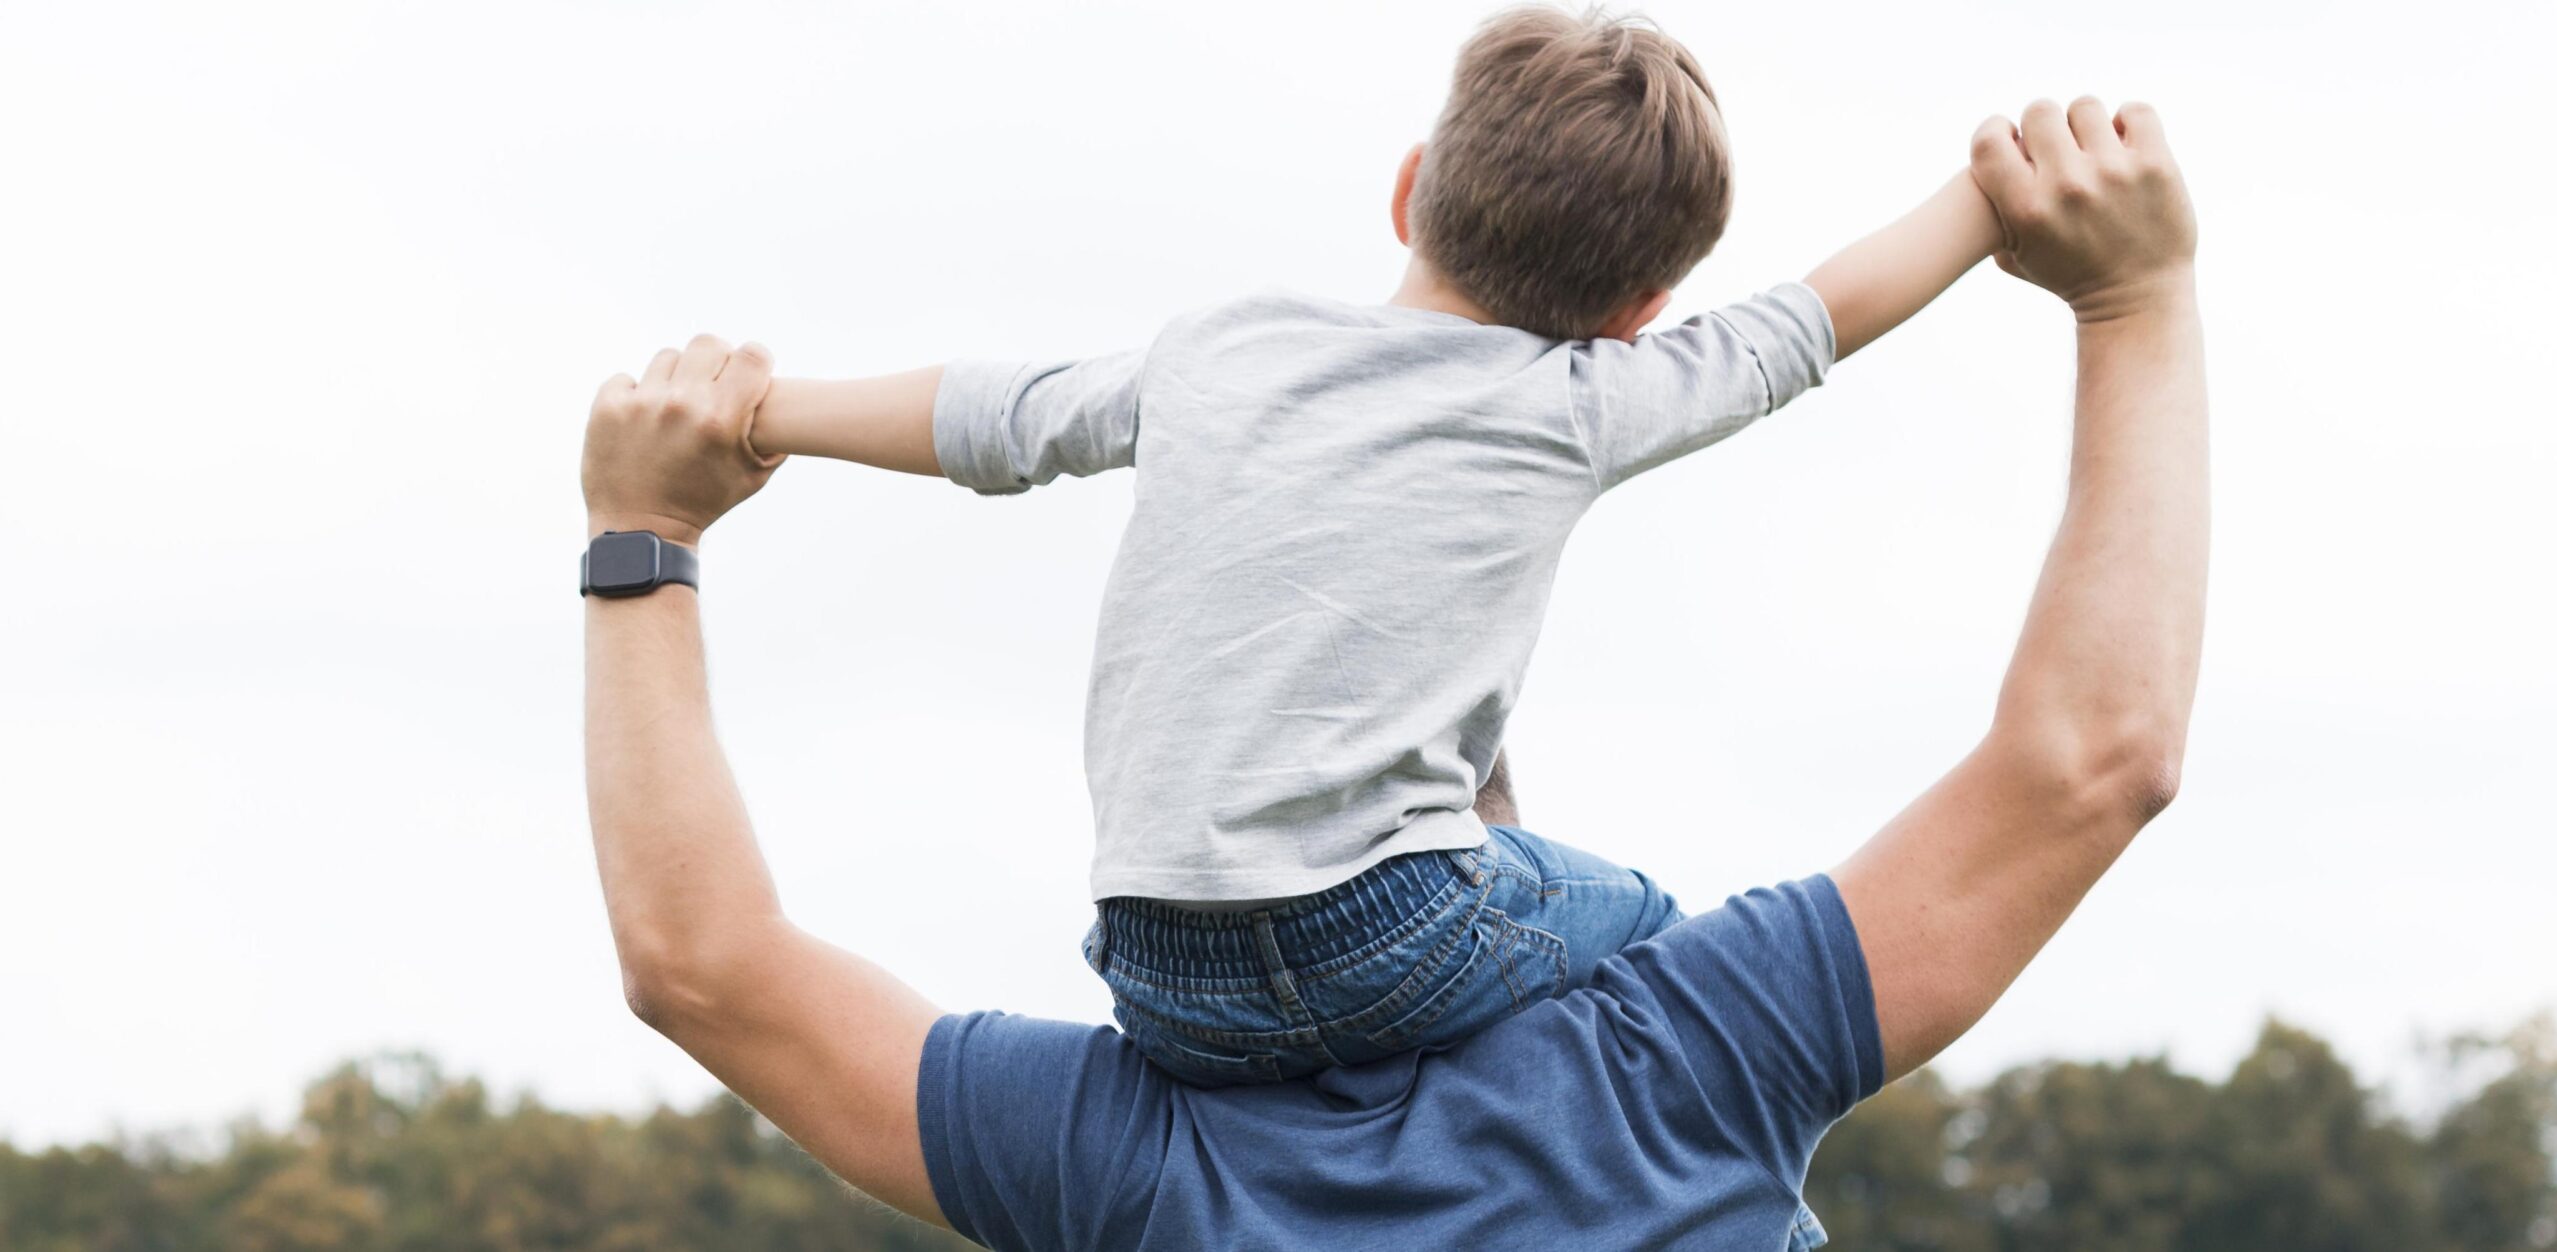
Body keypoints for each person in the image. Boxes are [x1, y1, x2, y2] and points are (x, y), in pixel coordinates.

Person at [578, 93, 2203, 1250]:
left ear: (1414, 187)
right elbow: (2092, 759)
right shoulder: (1687, 1061)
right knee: (1628, 901)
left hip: (1174, 981)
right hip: (1565, 1008)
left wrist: (646, 531)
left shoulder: (1131, 1160)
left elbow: (702, 967)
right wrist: (2130, 295)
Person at [737, 5, 2002, 1089]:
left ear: (1408, 192)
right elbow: (1808, 324)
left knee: (1484, 809)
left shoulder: (1220, 349)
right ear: (1640, 315)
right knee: (1655, 937)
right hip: (1384, 941)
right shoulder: (1581, 400)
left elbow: (994, 415)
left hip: (1157, 968)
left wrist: (756, 412)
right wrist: (1990, 193)